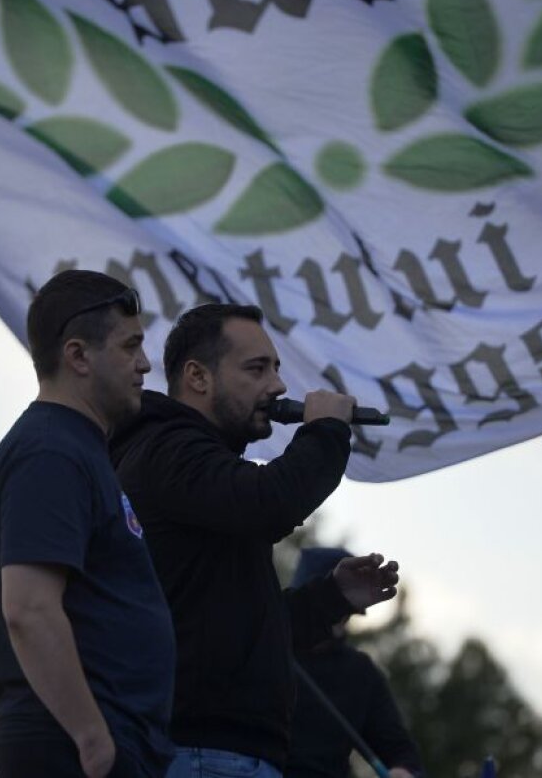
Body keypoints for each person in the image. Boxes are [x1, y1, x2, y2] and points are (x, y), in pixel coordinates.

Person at [110, 303, 400, 777]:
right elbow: (271, 502)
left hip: (221, 752)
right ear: (198, 378)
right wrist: (325, 430)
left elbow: (238, 630)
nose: (278, 386)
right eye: (256, 368)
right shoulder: (170, 450)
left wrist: (331, 598)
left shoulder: (202, 474)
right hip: (199, 752)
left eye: (276, 369)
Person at [0, 270, 175, 778]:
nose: (145, 364)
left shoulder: (74, 449)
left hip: (93, 738)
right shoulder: (50, 453)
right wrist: (92, 738)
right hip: (73, 742)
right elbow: (28, 609)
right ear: (78, 356)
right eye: (130, 347)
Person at [286, 547, 424, 778]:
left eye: (348, 610)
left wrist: (404, 770)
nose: (342, 617)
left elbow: (400, 749)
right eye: (334, 605)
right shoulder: (263, 651)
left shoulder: (360, 672)